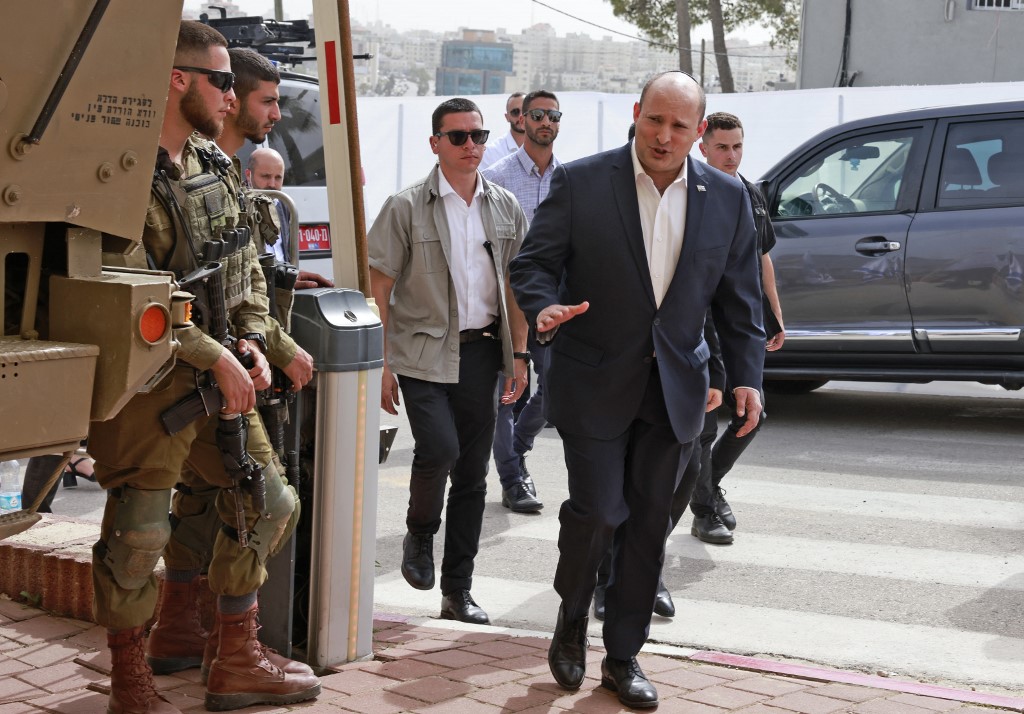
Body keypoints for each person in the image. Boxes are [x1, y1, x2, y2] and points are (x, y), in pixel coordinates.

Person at [509, 71, 765, 709]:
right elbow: (533, 264)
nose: (664, 135)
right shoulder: (584, 180)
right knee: (597, 512)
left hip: (676, 386)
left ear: (699, 132)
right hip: (594, 376)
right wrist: (542, 308)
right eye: (655, 120)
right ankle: (571, 617)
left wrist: (746, 378)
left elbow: (740, 300)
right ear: (637, 113)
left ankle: (623, 658)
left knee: (650, 523)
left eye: (681, 126)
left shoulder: (727, 197)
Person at [89, 21, 320, 713]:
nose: (232, 95)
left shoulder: (213, 166)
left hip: (215, 378)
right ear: (176, 79)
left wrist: (255, 339)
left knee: (269, 504)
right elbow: (128, 290)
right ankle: (131, 680)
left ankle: (236, 658)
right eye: (223, 80)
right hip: (145, 385)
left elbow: (244, 271)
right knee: (139, 534)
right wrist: (217, 353)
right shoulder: (114, 171)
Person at [368, 97, 529, 626]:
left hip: (484, 350)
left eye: (478, 136)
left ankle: (458, 589)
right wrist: (383, 360)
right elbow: (379, 286)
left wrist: (520, 354)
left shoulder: (504, 206)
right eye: (457, 136)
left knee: (474, 476)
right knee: (438, 447)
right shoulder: (405, 206)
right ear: (435, 143)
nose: (470, 146)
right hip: (420, 350)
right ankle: (419, 533)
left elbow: (517, 288)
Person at [685, 110, 785, 544]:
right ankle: (704, 508)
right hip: (698, 324)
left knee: (752, 413)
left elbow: (761, 259)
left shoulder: (750, 192)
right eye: (722, 147)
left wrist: (773, 317)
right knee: (705, 423)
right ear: (702, 146)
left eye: (737, 146)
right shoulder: (689, 191)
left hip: (738, 323)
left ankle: (708, 487)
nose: (731, 155)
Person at [482, 90, 563, 514]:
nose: (545, 121)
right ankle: (513, 478)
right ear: (521, 121)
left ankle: (516, 446)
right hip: (505, 301)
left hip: (552, 305)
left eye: (553, 115)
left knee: (555, 392)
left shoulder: (569, 178)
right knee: (506, 394)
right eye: (537, 114)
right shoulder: (495, 177)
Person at [480, 92, 525, 169]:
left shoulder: (541, 148)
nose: (521, 116)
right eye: (515, 112)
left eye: (525, 111)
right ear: (507, 117)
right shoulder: (491, 152)